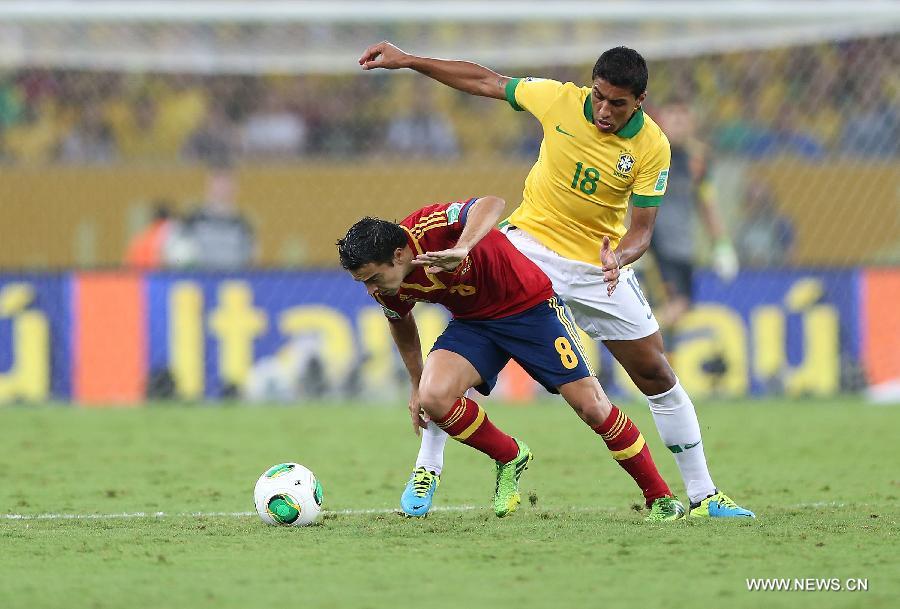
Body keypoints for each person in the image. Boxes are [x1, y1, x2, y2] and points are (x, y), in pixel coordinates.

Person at [358, 42, 754, 519]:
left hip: (596, 265)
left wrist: (618, 258)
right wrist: (411, 61)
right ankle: (428, 466)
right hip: (526, 249)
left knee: (654, 372)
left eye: (618, 104)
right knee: (455, 348)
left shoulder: (653, 146)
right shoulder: (557, 98)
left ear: (640, 101)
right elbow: (485, 80)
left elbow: (641, 232)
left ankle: (703, 494)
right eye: (600, 97)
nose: (604, 111)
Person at [337, 196, 685, 521]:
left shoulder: (430, 228)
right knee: (434, 396)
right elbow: (402, 326)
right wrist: (415, 385)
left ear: (399, 255)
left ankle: (660, 497)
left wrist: (462, 247)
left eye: (372, 278)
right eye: (362, 283)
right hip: (475, 325)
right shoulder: (389, 286)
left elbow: (492, 203)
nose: (370, 290)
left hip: (530, 310)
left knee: (593, 407)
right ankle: (509, 455)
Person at [647, 102, 738, 333]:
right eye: (672, 114)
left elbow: (707, 205)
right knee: (674, 307)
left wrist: (722, 246)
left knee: (678, 312)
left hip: (683, 249)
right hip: (654, 247)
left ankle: (652, 358)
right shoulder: (650, 154)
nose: (678, 121)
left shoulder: (696, 162)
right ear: (660, 119)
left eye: (683, 115)